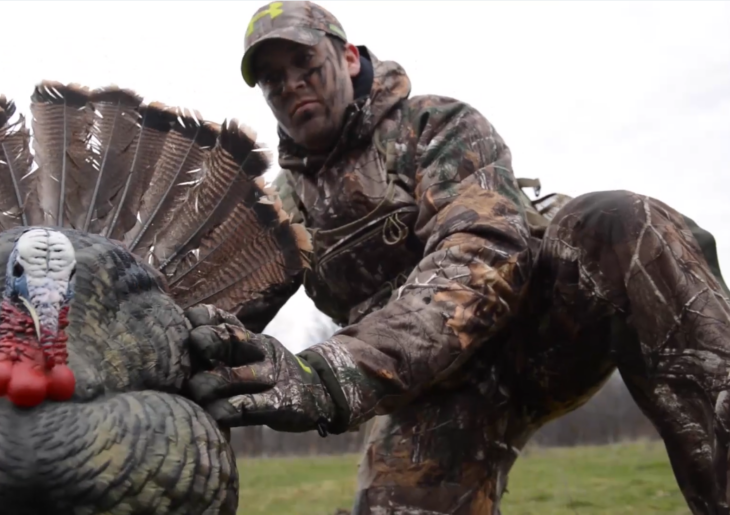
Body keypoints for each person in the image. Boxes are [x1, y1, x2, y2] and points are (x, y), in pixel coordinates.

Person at [185, 1, 730, 512]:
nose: (291, 84)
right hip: (433, 395)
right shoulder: (279, 208)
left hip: (539, 333)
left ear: (348, 58)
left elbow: (483, 257)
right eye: (272, 79)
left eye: (303, 61)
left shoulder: (437, 126)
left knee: (622, 223)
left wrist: (331, 372)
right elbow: (225, 310)